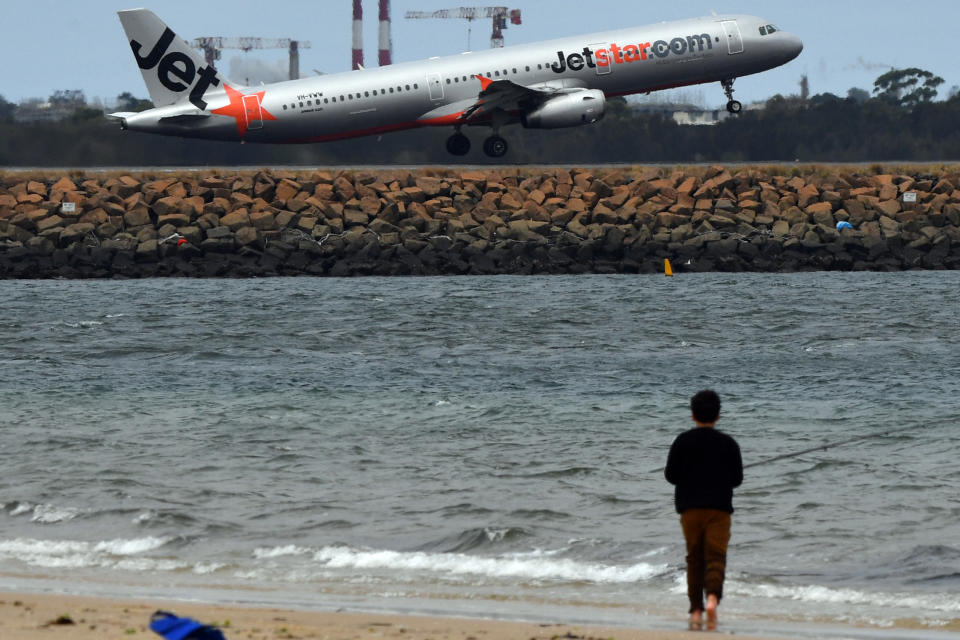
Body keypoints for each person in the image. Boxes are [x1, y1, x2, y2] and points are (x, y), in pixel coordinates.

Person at [664, 390, 743, 631]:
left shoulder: (682, 441)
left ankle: (696, 610)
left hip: (690, 509)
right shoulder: (729, 444)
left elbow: (670, 475)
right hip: (719, 509)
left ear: (692, 415)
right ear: (718, 416)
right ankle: (712, 600)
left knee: (694, 558)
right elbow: (737, 479)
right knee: (716, 557)